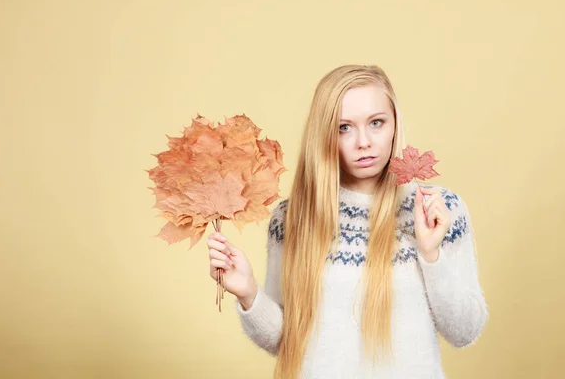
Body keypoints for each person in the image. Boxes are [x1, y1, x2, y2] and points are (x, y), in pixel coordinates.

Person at [206, 65, 488, 379]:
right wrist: (248, 293)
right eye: (344, 128)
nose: (363, 141)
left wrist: (431, 255)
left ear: (394, 123)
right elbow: (285, 341)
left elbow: (464, 331)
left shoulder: (438, 211)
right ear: (324, 134)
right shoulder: (293, 218)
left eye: (376, 123)